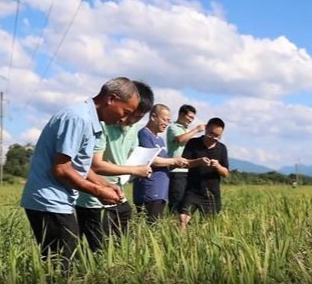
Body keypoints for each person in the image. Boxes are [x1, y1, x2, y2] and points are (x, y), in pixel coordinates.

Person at [20, 77, 140, 269]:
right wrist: (99, 192)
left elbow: (77, 165)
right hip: (49, 202)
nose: (124, 119)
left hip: (59, 201)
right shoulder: (78, 118)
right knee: (60, 266)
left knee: (66, 260)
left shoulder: (92, 121)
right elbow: (61, 169)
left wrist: (105, 184)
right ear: (111, 98)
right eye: (125, 112)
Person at [75, 81, 154, 252]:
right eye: (128, 113)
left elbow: (133, 155)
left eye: (136, 116)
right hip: (93, 192)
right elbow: (95, 165)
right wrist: (134, 170)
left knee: (118, 232)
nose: (128, 119)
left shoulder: (133, 128)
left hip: (115, 189)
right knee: (96, 244)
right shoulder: (105, 124)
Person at [133, 104, 188, 223]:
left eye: (168, 120)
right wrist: (174, 160)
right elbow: (152, 159)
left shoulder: (160, 140)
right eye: (164, 119)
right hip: (149, 191)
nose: (166, 123)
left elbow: (164, 161)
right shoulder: (144, 134)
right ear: (153, 117)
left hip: (161, 192)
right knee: (149, 227)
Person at [178, 117, 229, 229]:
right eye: (211, 134)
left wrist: (218, 166)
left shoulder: (222, 149)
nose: (213, 138)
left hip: (212, 195)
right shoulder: (193, 143)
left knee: (209, 227)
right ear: (206, 129)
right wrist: (198, 161)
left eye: (217, 136)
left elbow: (225, 173)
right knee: (183, 219)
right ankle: (180, 243)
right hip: (193, 191)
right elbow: (184, 163)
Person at [166, 104, 205, 213]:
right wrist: (196, 129)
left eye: (193, 118)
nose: (191, 120)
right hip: (177, 171)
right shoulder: (173, 128)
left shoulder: (186, 130)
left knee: (186, 203)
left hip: (187, 170)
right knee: (176, 202)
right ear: (182, 114)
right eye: (190, 117)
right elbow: (180, 139)